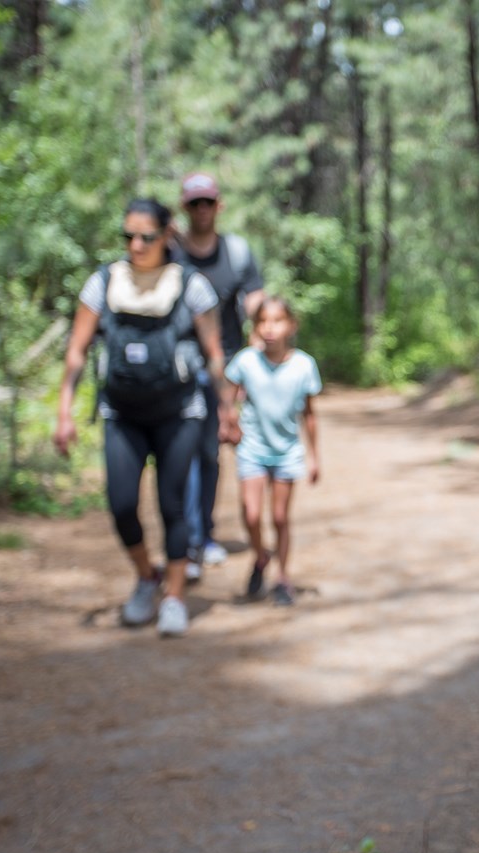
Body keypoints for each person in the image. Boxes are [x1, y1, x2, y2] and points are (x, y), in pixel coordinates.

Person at [54, 197, 232, 637]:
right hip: (122, 411)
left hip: (179, 412)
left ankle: (173, 597)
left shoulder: (191, 286)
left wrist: (227, 409)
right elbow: (77, 351)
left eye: (146, 236)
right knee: (120, 505)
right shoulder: (102, 283)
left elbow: (214, 354)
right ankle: (145, 575)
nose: (136, 244)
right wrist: (64, 411)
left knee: (172, 505)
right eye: (128, 236)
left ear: (167, 234)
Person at [175, 172, 265, 581]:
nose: (202, 210)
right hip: (175, 364)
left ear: (218, 205)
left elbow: (256, 312)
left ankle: (202, 534)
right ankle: (190, 539)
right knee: (185, 451)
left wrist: (251, 371)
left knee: (209, 451)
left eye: (207, 202)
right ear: (184, 208)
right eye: (194, 203)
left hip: (222, 367)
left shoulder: (238, 254)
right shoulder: (171, 253)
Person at [221, 297, 322, 606]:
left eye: (277, 321)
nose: (269, 328)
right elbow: (227, 397)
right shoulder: (245, 361)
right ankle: (261, 555)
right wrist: (228, 420)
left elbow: (309, 414)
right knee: (251, 515)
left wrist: (314, 456)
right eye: (263, 321)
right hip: (252, 448)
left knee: (280, 518)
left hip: (287, 452)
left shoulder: (304, 365)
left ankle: (282, 578)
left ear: (291, 326)